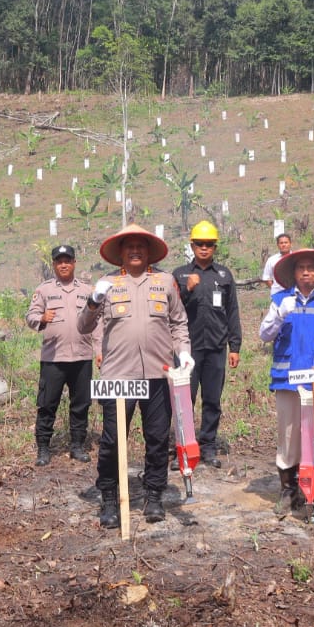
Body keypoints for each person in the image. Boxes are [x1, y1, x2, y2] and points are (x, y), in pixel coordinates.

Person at [79, 223, 191, 527]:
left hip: (158, 374)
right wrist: (93, 301)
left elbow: (179, 323)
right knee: (112, 440)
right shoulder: (107, 283)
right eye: (129, 247)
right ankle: (109, 498)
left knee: (157, 438)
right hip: (118, 376)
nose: (135, 251)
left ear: (149, 252)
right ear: (120, 253)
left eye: (141, 246)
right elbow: (83, 326)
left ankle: (154, 495)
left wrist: (184, 351)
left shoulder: (165, 282)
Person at [258, 249, 314, 520]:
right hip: (288, 382)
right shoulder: (280, 300)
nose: (306, 272)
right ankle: (289, 490)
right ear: (293, 273)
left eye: (311, 267)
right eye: (301, 268)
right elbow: (264, 335)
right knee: (289, 437)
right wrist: (279, 315)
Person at [172, 221, 242, 468]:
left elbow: (232, 311)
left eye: (209, 244)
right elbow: (172, 310)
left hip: (215, 347)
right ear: (192, 246)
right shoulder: (180, 275)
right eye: (200, 244)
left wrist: (235, 346)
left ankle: (208, 446)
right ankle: (183, 447)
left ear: (215, 247)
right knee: (185, 401)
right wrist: (187, 290)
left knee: (212, 400)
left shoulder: (223, 275)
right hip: (187, 350)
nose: (204, 248)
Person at [25, 244, 99, 466]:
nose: (64, 265)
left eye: (68, 261)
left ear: (74, 263)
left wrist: (99, 350)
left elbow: (97, 321)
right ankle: (43, 448)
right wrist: (42, 318)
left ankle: (77, 446)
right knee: (47, 404)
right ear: (54, 264)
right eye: (59, 261)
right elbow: (30, 316)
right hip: (53, 359)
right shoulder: (44, 290)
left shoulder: (87, 291)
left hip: (82, 357)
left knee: (81, 404)